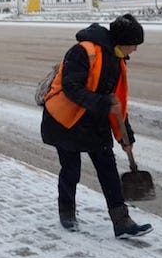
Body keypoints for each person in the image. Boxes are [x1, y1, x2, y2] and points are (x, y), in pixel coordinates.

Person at [41, 14, 152, 239]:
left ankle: (122, 222)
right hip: (66, 120)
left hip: (94, 121)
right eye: (134, 45)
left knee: (109, 171)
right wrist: (102, 103)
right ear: (122, 41)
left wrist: (125, 137)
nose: (135, 50)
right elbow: (71, 87)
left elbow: (117, 102)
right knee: (71, 170)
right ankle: (67, 213)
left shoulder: (118, 61)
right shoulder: (83, 51)